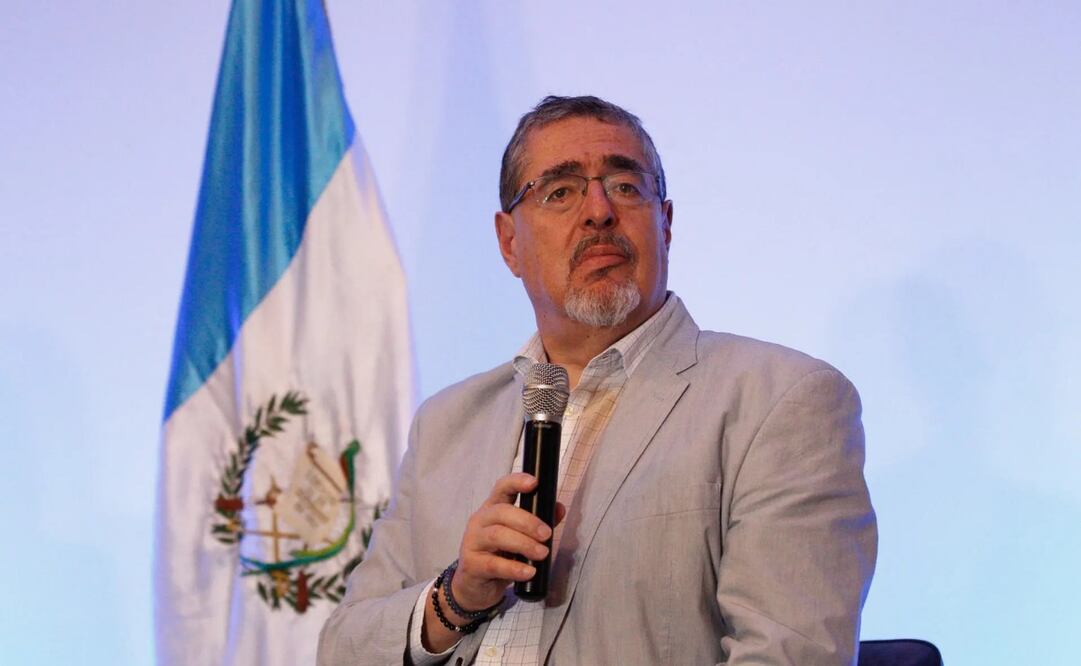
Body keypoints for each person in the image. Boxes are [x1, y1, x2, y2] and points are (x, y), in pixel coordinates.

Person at [318, 95, 877, 665]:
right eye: (560, 191)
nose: (599, 211)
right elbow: (343, 648)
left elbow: (789, 655)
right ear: (509, 242)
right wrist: (456, 599)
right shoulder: (445, 424)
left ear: (665, 222)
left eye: (626, 186)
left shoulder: (780, 402)